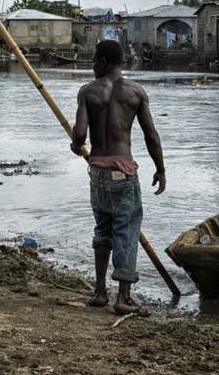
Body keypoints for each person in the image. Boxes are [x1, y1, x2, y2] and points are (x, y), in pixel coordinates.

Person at [70, 40, 166, 317]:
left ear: (101, 61)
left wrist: (77, 147)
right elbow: (151, 135)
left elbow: (80, 134)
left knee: (103, 230)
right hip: (123, 172)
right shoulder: (136, 92)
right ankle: (123, 298)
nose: (91, 66)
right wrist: (160, 169)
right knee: (125, 231)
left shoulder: (88, 91)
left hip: (98, 170)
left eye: (92, 61)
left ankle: (100, 292)